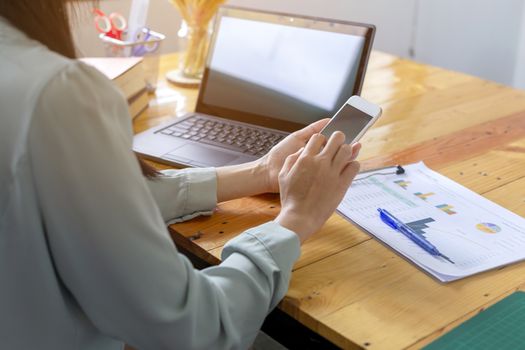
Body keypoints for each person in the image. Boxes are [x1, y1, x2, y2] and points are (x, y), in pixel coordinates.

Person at [0, 1, 361, 349]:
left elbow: (78, 198)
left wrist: (257, 173)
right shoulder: (57, 92)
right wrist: (295, 220)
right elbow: (194, 329)